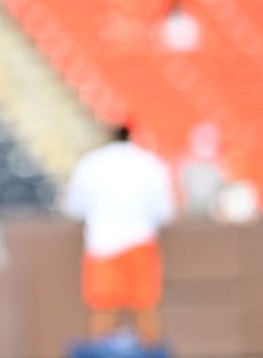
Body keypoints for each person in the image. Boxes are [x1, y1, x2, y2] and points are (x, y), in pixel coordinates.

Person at [61, 124, 175, 358]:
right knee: (146, 310)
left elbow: (72, 206)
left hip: (102, 244)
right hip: (141, 242)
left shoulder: (91, 163)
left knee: (103, 311)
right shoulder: (150, 163)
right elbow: (166, 211)